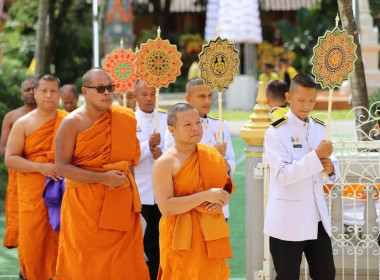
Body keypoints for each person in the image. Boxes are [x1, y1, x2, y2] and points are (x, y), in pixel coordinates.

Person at [54, 68, 149, 279]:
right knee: (87, 263)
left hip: (120, 200)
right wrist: (103, 179)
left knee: (123, 263)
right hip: (84, 207)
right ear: (85, 92)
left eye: (110, 88)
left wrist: (134, 200)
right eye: (99, 88)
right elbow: (61, 167)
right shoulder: (72, 123)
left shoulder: (124, 118)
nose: (106, 93)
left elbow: (128, 163)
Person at [264, 74, 340, 279]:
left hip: (316, 217)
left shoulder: (320, 128)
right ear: (288, 97)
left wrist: (331, 167)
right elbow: (281, 175)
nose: (307, 105)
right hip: (288, 220)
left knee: (326, 274)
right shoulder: (276, 132)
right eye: (301, 100)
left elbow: (332, 167)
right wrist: (316, 157)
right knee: (287, 276)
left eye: (312, 100)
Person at [153, 103, 234, 279]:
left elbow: (227, 184)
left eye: (197, 122)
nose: (195, 128)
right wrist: (205, 196)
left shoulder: (210, 154)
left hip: (212, 235)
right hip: (182, 240)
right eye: (187, 124)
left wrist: (224, 196)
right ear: (172, 130)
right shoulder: (165, 163)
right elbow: (166, 207)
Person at [5, 74, 67, 280]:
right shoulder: (23, 123)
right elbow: (11, 159)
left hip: (63, 191)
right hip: (33, 192)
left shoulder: (69, 121)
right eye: (44, 91)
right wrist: (41, 167)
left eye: (53, 91)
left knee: (63, 239)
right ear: (35, 93)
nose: (48, 95)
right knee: (33, 239)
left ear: (58, 94)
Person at [164, 77, 236, 219]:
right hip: (190, 203)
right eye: (201, 96)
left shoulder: (221, 125)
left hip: (218, 203)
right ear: (188, 98)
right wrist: (213, 153)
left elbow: (230, 162)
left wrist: (225, 193)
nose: (207, 101)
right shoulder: (176, 129)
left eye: (210, 96)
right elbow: (175, 164)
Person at [134, 80, 167, 280]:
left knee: (164, 238)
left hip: (164, 191)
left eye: (152, 93)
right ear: (136, 95)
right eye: (144, 94)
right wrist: (147, 146)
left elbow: (176, 149)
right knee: (145, 241)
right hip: (142, 191)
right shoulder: (129, 119)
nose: (148, 98)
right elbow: (128, 155)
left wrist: (162, 153)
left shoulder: (165, 119)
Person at [1, 78, 36, 250]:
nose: (31, 92)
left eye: (34, 89)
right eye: (27, 89)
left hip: (45, 175)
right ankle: (26, 269)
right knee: (21, 218)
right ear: (21, 94)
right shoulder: (12, 117)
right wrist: (21, 156)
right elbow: (3, 148)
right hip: (19, 176)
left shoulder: (54, 116)